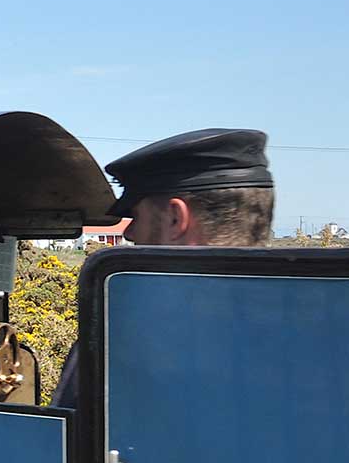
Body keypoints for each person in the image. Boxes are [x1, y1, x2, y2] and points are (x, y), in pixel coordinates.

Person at [50, 128, 275, 409]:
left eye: (135, 216)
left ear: (175, 218)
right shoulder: (311, 325)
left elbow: (66, 446)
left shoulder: (125, 342)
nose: (130, 232)